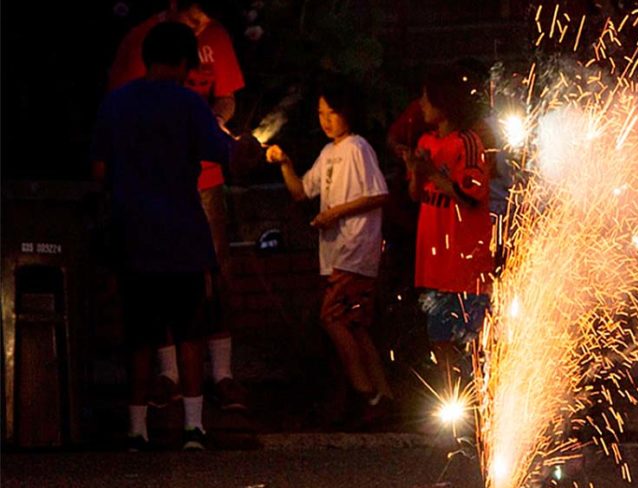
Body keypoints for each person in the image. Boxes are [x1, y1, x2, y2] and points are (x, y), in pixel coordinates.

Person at [92, 21, 231, 451]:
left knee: (139, 335)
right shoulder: (189, 105)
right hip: (183, 233)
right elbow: (222, 153)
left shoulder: (116, 103)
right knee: (189, 330)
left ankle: (137, 430)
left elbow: (98, 168)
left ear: (148, 57)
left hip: (133, 233)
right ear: (185, 61)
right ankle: (193, 427)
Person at [108, 0, 248, 412]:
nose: (203, 25)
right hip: (157, 184)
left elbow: (228, 97)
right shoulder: (140, 43)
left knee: (215, 269)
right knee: (162, 275)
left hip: (206, 175)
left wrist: (215, 122)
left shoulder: (216, 36)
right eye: (194, 17)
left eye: (207, 16)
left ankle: (221, 374)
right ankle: (169, 377)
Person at [265, 80, 395, 427]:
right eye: (321, 113)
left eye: (332, 112)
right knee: (355, 323)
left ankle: (363, 392)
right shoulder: (329, 153)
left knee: (333, 318)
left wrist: (335, 213)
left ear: (348, 112)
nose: (326, 120)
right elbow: (301, 192)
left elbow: (379, 194)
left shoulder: (357, 148)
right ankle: (383, 395)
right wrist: (285, 163)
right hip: (337, 251)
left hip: (354, 249)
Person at [402, 66, 495, 385]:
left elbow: (472, 194)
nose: (421, 105)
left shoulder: (467, 143)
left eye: (426, 99)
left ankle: (476, 403)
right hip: (433, 265)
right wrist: (416, 171)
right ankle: (450, 400)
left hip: (463, 264)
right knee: (439, 339)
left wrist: (434, 174)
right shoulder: (425, 142)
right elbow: (415, 194)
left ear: (443, 103)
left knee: (468, 342)